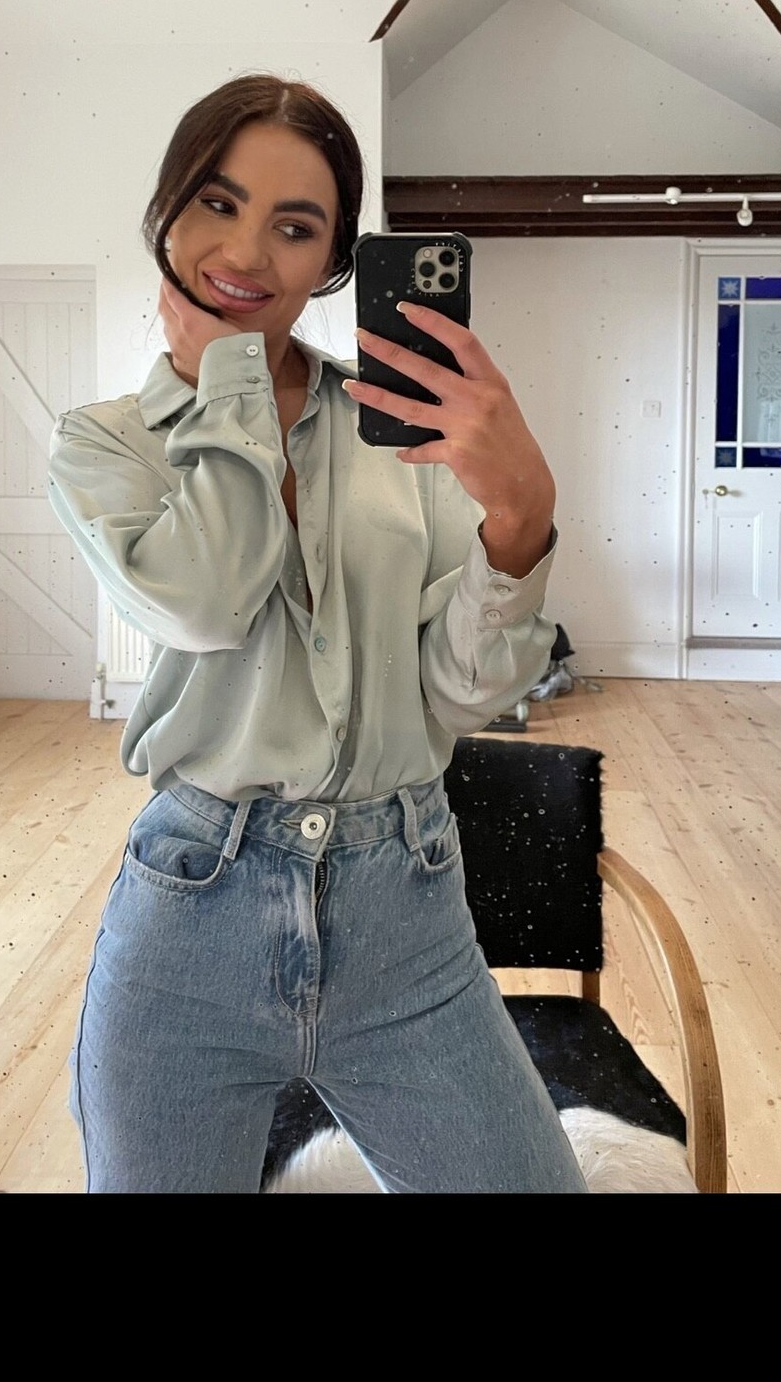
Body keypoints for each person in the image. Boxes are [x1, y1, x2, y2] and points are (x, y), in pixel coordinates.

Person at [47, 72, 588, 1194]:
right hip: (190, 924)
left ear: (334, 260)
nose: (246, 251)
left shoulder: (406, 436)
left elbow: (462, 693)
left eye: (295, 227)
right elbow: (206, 601)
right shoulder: (104, 446)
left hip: (409, 920)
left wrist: (520, 518)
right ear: (166, 211)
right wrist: (231, 382)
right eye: (218, 202)